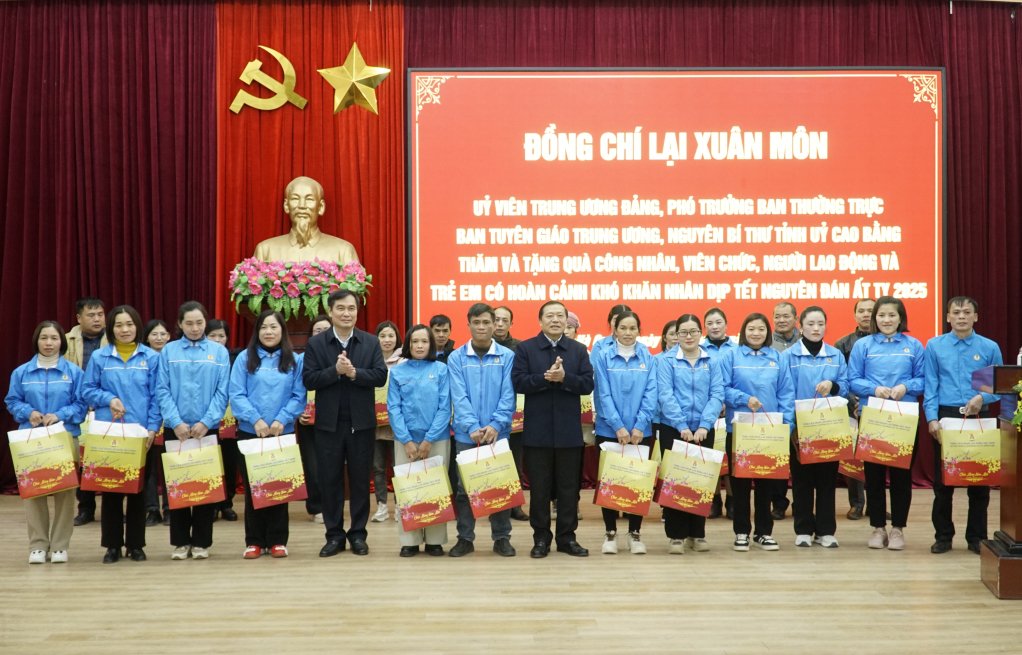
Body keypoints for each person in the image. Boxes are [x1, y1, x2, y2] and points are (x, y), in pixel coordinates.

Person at [302, 289, 387, 557]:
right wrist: (334, 372)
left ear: (357, 312)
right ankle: (334, 536)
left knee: (361, 481)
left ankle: (358, 535)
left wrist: (354, 373)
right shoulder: (317, 344)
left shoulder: (370, 342)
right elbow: (309, 379)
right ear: (330, 311)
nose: (346, 313)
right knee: (331, 481)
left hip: (361, 424)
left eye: (351, 308)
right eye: (341, 308)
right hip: (328, 425)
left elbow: (380, 376)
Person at [512, 301, 595, 558]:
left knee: (569, 489)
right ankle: (541, 540)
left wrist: (565, 379)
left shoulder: (579, 350)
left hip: (569, 433)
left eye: (561, 316)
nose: (556, 320)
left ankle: (567, 539)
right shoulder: (526, 348)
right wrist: (546, 378)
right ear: (540, 321)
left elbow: (587, 384)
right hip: (538, 433)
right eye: (550, 316)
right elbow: (519, 381)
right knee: (540, 489)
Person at [82, 306, 162, 563]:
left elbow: (157, 397)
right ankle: (112, 545)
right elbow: (88, 390)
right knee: (112, 490)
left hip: (140, 434)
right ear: (111, 328)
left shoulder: (151, 357)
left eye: (129, 324)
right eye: (118, 325)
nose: (124, 329)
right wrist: (110, 398)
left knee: (138, 491)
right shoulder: (100, 357)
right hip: (110, 433)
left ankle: (136, 545)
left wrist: (152, 428)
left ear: (137, 326)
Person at [924, 296, 1003, 555]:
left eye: (966, 312)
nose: (961, 317)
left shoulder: (989, 347)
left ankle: (976, 537)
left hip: (979, 417)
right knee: (943, 484)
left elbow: (999, 385)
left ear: (975, 317)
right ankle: (943, 537)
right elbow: (931, 384)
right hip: (947, 416)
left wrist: (983, 397)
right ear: (947, 317)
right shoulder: (935, 346)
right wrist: (932, 418)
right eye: (956, 312)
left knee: (978, 482)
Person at [6, 321, 87, 564]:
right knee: (34, 493)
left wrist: (61, 415)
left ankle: (60, 545)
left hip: (64, 437)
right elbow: (12, 401)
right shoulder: (21, 372)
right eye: (44, 338)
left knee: (65, 492)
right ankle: (38, 545)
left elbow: (81, 405)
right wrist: (27, 411)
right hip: (31, 440)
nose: (49, 343)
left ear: (61, 341)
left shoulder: (74, 372)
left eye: (54, 338)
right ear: (36, 341)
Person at [848, 296, 925, 551]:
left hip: (904, 416)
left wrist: (906, 386)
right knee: (874, 475)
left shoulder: (914, 345)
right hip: (874, 416)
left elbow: (924, 379)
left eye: (892, 315)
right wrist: (875, 388)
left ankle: (898, 529)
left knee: (902, 475)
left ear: (901, 318)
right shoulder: (864, 345)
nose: (886, 320)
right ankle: (878, 527)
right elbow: (853, 380)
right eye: (881, 316)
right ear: (874, 319)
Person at [228, 310, 306, 559]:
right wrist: (256, 420)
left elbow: (299, 395)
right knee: (254, 488)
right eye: (264, 327)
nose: (269, 332)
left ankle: (277, 540)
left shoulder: (294, 359)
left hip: (282, 432)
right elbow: (236, 394)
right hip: (251, 432)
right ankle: (254, 541)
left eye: (274, 327)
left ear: (282, 330)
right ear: (257, 331)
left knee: (278, 488)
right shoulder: (244, 358)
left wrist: (282, 419)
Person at [156, 301, 230, 560]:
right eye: (189, 323)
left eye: (199, 323)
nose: (195, 328)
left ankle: (201, 542)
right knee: (177, 485)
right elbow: (162, 389)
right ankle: (179, 542)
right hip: (175, 430)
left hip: (205, 429)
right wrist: (175, 421)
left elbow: (223, 392)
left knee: (203, 486)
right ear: (179, 324)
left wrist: (206, 422)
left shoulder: (219, 353)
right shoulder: (169, 351)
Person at [719, 312, 794, 552]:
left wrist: (786, 426)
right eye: (751, 328)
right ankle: (741, 531)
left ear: (767, 332)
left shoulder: (777, 358)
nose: (756, 333)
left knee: (766, 484)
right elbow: (721, 388)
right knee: (740, 484)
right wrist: (743, 398)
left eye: (761, 329)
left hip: (770, 431)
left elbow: (786, 393)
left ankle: (764, 532)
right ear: (743, 331)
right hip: (740, 429)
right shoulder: (731, 356)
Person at [447, 303, 517, 558]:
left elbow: (509, 395)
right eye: (477, 323)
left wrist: (496, 424)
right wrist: (472, 427)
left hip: (499, 433)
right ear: (469, 325)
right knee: (464, 489)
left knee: (499, 487)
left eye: (488, 322)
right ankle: (465, 538)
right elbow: (458, 395)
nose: (483, 327)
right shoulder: (456, 357)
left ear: (495, 324)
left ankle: (502, 538)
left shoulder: (507, 356)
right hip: (468, 435)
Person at [591, 310, 658, 555]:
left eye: (633, 328)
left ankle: (634, 534)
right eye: (623, 328)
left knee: (636, 482)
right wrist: (618, 426)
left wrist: (640, 425)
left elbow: (652, 394)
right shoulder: (604, 357)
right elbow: (603, 395)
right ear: (614, 330)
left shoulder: (648, 358)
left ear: (639, 330)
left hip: (641, 431)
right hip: (610, 430)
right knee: (610, 481)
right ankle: (610, 534)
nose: (628, 333)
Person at [657, 314, 724, 554]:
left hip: (704, 429)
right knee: (676, 480)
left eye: (693, 331)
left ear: (700, 333)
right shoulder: (666, 361)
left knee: (700, 481)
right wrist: (682, 426)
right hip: (673, 428)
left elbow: (717, 394)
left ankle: (697, 533)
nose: (688, 336)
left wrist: (705, 425)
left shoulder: (712, 360)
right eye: (682, 332)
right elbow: (665, 395)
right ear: (676, 335)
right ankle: (676, 535)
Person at [781, 306, 847, 548]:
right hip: (800, 427)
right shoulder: (788, 356)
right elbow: (785, 392)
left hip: (829, 427)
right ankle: (804, 529)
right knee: (802, 480)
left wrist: (833, 384)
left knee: (828, 480)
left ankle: (826, 530)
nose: (816, 328)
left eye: (820, 323)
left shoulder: (835, 355)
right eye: (810, 324)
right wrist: (792, 427)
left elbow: (846, 385)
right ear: (801, 326)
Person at [387, 324, 453, 557]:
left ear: (431, 344)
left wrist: (428, 440)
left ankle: (435, 540)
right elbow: (393, 408)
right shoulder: (397, 372)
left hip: (436, 439)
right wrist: (406, 440)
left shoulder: (441, 370)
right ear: (408, 344)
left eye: (424, 341)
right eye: (414, 341)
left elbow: (445, 408)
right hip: (405, 441)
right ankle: (410, 540)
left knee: (435, 488)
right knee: (409, 490)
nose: (419, 346)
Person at [65, 297, 107, 527]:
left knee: (107, 459)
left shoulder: (114, 339)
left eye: (100, 314)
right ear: (79, 318)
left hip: (104, 407)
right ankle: (86, 508)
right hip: (79, 408)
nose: (97, 319)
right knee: (82, 461)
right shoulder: (66, 341)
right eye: (91, 315)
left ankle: (112, 505)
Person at [253, 175, 359, 264]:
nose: (302, 205)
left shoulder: (343, 251)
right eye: (295, 199)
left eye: (309, 199)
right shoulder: (265, 250)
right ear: (286, 205)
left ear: (321, 207)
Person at [834, 298, 875, 520]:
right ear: (855, 315)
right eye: (862, 311)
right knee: (853, 458)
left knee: (879, 456)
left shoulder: (884, 342)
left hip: (880, 406)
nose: (866, 314)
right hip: (852, 407)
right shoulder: (843, 343)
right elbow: (842, 378)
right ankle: (856, 503)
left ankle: (876, 505)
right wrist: (854, 401)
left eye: (871, 310)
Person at [494, 305, 528, 522]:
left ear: (511, 324)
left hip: (515, 412)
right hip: (487, 414)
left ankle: (514, 506)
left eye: (504, 320)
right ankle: (493, 505)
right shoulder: (480, 346)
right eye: (495, 319)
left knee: (515, 461)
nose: (499, 324)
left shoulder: (520, 348)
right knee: (491, 461)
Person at [702, 307, 737, 519]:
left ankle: (732, 501)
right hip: (708, 411)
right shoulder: (698, 348)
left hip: (732, 411)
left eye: (718, 322)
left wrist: (726, 401)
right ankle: (713, 499)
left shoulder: (736, 349)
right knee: (710, 457)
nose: (714, 327)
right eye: (710, 323)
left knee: (731, 459)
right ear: (704, 327)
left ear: (726, 325)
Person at [296, 315, 332, 523]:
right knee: (312, 466)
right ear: (311, 336)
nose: (322, 334)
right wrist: (299, 412)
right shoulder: (300, 360)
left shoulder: (342, 355)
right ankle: (316, 506)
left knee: (332, 464)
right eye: (318, 331)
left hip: (333, 419)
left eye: (326, 330)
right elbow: (294, 388)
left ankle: (332, 505)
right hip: (308, 421)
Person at [205, 319, 240, 523]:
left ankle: (226, 503)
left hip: (230, 421)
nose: (218, 340)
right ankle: (210, 504)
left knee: (229, 462)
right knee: (209, 461)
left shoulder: (235, 357)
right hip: (206, 420)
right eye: (213, 336)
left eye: (221, 336)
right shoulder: (201, 357)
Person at [769, 301, 799, 520]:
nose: (781, 320)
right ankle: (778, 503)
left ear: (795, 318)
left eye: (786, 316)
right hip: (775, 410)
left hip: (804, 410)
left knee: (800, 463)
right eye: (777, 316)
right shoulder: (765, 342)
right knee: (776, 460)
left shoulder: (804, 340)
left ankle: (801, 502)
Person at [141, 319, 172, 527]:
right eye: (154, 334)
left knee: (171, 466)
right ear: (147, 338)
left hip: (170, 419)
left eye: (163, 334)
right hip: (147, 419)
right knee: (150, 468)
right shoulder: (142, 359)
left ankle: (170, 508)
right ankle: (152, 509)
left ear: (169, 336)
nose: (159, 338)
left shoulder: (174, 357)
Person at [372, 320, 404, 522]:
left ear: (397, 339)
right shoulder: (369, 359)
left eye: (390, 335)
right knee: (378, 467)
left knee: (399, 467)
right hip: (374, 425)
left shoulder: (405, 361)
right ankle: (382, 507)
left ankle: (401, 507)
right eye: (382, 336)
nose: (387, 340)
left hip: (398, 425)